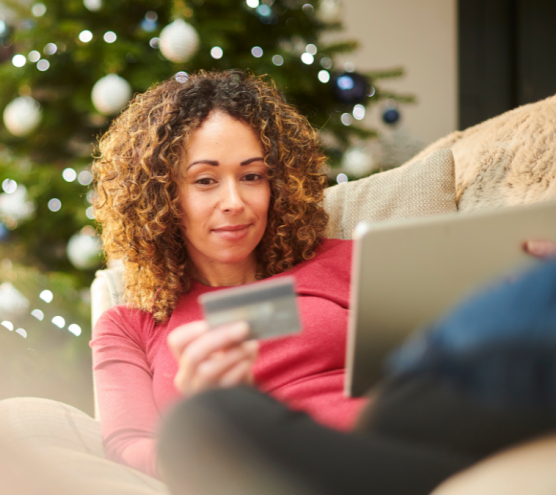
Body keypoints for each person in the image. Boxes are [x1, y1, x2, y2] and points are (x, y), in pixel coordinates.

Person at [89, 69, 556, 494]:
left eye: (252, 176)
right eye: (206, 181)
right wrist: (200, 406)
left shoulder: (347, 260)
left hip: (400, 423)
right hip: (273, 456)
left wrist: (517, 277)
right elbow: (129, 446)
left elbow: (460, 337)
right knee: (199, 422)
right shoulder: (131, 325)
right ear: (163, 195)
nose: (234, 201)